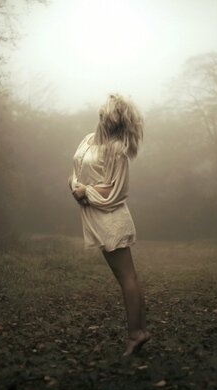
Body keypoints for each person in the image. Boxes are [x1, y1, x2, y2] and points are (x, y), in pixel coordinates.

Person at [68, 93, 150, 356]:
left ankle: (137, 333)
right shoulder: (87, 139)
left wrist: (85, 192)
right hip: (96, 219)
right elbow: (77, 170)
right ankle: (140, 330)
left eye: (111, 121)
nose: (105, 122)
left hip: (112, 219)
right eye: (105, 117)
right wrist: (74, 186)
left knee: (127, 277)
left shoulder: (117, 149)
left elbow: (115, 191)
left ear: (117, 124)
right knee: (124, 278)